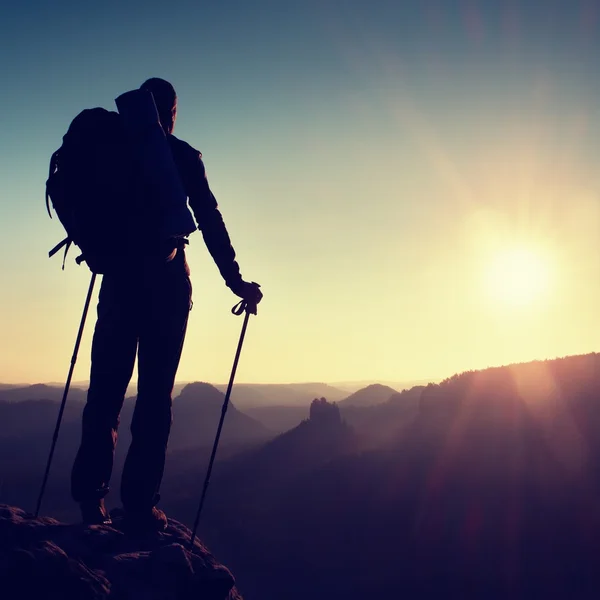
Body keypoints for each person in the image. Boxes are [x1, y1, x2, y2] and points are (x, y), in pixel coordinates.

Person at [70, 77, 262, 532]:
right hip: (168, 285)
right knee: (156, 397)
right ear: (170, 114)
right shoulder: (182, 157)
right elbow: (209, 219)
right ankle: (139, 505)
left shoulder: (112, 154)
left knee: (105, 393)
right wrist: (236, 281)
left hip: (118, 282)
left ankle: (91, 503)